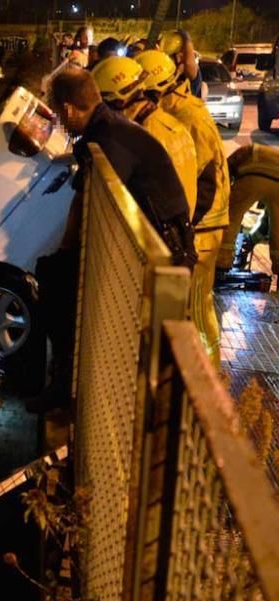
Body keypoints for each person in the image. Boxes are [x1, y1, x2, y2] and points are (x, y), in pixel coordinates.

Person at [34, 68, 195, 411]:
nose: (61, 122)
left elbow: (88, 202)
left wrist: (67, 253)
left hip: (164, 252)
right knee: (58, 277)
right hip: (163, 243)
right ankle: (70, 383)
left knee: (59, 288)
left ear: (69, 109)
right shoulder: (109, 128)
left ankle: (71, 389)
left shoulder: (107, 140)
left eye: (59, 114)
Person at [138, 48, 230, 366]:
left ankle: (208, 373)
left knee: (198, 308)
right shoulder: (176, 109)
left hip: (204, 227)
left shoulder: (187, 116)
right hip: (199, 224)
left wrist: (185, 231)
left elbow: (204, 177)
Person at [91, 56, 198, 219]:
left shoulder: (140, 141)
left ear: (119, 103)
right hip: (181, 227)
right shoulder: (172, 124)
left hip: (157, 232)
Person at [218, 144, 279, 275]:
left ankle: (222, 262)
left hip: (252, 177)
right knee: (277, 229)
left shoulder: (237, 158)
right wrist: (252, 240)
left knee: (232, 218)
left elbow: (223, 178)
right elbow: (266, 224)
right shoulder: (265, 154)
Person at [160, 29, 203, 98]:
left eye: (183, 55)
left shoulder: (190, 79)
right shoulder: (166, 76)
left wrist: (186, 38)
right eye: (177, 55)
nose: (180, 59)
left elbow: (189, 63)